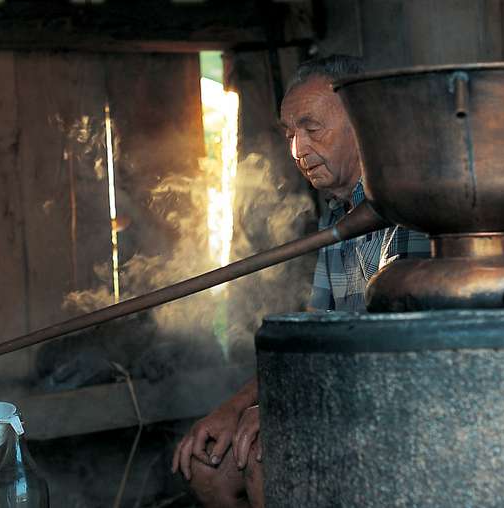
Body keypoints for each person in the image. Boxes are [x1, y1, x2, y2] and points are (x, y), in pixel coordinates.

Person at [170, 55, 429, 507]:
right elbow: (316, 339)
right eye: (289, 134)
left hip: (402, 408)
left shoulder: (412, 203)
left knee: (272, 462)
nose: (297, 150)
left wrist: (291, 408)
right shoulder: (336, 214)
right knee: (209, 465)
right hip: (343, 395)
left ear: (364, 122)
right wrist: (235, 408)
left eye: (312, 129)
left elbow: (397, 358)